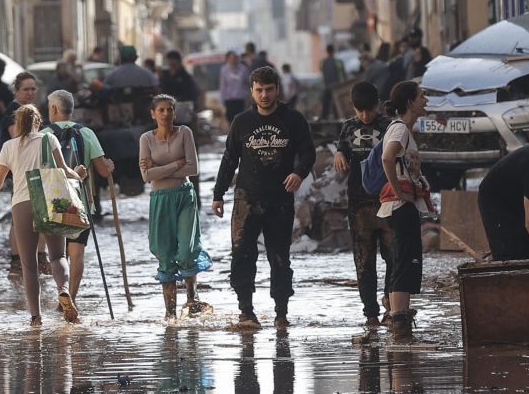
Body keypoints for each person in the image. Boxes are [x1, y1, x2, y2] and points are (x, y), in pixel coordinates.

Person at [211, 65, 315, 327]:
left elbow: (308, 152)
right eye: (259, 90)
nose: (265, 95)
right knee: (242, 256)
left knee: (279, 257)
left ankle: (281, 312)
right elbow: (229, 159)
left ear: (277, 90)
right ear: (251, 91)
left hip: (280, 201)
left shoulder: (293, 119)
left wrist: (299, 173)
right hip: (247, 199)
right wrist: (218, 194)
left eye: (269, 90)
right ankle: (246, 311)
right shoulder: (242, 122)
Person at [0, 104, 68, 326]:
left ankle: (35, 317)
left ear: (17, 123)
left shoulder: (8, 146)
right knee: (57, 256)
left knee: (28, 264)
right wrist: (79, 174)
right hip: (49, 201)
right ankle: (64, 290)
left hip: (22, 203)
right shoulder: (49, 140)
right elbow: (64, 170)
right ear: (38, 122)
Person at [44, 88, 114, 323]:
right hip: (81, 203)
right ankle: (71, 297)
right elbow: (103, 171)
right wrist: (109, 167)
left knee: (56, 254)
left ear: (54, 108)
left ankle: (60, 292)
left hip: (52, 204)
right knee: (77, 252)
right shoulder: (87, 133)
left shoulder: (43, 134)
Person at [332, 80, 391, 329]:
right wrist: (339, 154)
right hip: (358, 204)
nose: (365, 116)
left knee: (393, 257)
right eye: (360, 111)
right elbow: (342, 147)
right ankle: (370, 314)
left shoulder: (389, 126)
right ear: (353, 108)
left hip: (387, 201)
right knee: (364, 261)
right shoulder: (348, 127)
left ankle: (392, 306)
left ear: (377, 105)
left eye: (369, 110)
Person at [140, 94, 205, 319]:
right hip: (160, 198)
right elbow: (146, 176)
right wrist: (177, 164)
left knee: (187, 250)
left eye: (170, 109)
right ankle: (170, 314)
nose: (166, 114)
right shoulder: (146, 139)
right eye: (161, 110)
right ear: (153, 114)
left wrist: (160, 166)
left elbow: (193, 169)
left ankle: (192, 298)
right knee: (165, 253)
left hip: (184, 195)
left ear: (174, 112)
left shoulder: (185, 132)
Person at [376, 80, 433, 334]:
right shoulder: (399, 130)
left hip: (401, 205)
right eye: (422, 96)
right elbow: (387, 158)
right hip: (399, 205)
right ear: (410, 102)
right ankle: (399, 322)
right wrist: (400, 192)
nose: (426, 100)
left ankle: (398, 318)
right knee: (403, 260)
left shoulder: (403, 130)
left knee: (404, 259)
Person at [218, 50, 248, 119]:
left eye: (235, 58)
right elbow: (223, 86)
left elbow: (247, 83)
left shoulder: (243, 69)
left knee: (241, 119)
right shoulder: (224, 70)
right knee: (231, 120)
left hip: (241, 99)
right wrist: (222, 101)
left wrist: (248, 96)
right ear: (228, 59)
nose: (234, 60)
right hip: (229, 100)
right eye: (231, 58)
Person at [320, 44, 346, 118]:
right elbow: (343, 73)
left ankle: (324, 117)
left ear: (327, 51)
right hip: (336, 87)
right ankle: (337, 116)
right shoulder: (338, 62)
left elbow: (322, 71)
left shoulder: (322, 62)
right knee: (336, 103)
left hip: (327, 86)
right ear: (333, 51)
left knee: (326, 103)